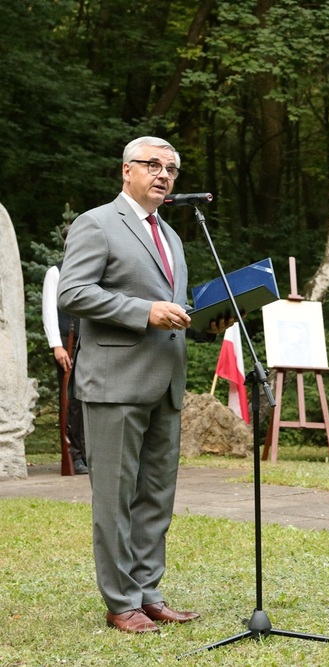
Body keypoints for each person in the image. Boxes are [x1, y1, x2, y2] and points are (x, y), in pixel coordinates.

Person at [58, 136, 229, 634]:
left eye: (171, 169)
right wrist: (144, 311)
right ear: (126, 171)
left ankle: (148, 593)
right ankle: (121, 602)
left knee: (156, 496)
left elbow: (170, 305)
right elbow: (74, 292)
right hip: (115, 383)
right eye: (153, 165)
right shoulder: (97, 223)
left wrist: (206, 318)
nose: (163, 175)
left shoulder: (170, 235)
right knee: (115, 499)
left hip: (165, 382)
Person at [42, 231, 88, 475]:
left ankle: (86, 453)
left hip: (88, 341)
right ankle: (73, 455)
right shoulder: (56, 272)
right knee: (70, 400)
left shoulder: (90, 272)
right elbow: (49, 309)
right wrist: (56, 345)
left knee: (86, 399)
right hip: (65, 342)